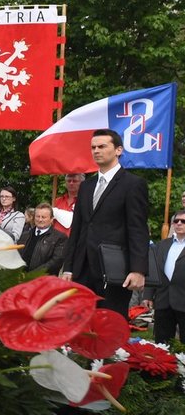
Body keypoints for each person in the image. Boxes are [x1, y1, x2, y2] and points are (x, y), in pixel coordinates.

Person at [61, 129, 149, 315]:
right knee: (79, 325)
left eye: (102, 146)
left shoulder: (133, 184)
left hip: (114, 269)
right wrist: (68, 267)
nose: (96, 151)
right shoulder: (86, 186)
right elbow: (77, 229)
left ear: (118, 150)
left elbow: (138, 230)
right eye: (93, 147)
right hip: (82, 270)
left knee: (110, 325)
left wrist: (138, 270)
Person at [142, 210, 185, 343]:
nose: (178, 223)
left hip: (183, 300)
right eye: (176, 221)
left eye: (183, 221)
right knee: (162, 344)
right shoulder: (162, 245)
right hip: (163, 300)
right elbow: (153, 270)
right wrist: (148, 295)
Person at [16, 203, 67, 275]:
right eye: (37, 216)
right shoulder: (25, 235)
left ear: (51, 219)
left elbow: (56, 262)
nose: (40, 219)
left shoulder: (60, 238)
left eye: (43, 217)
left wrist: (34, 274)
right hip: (21, 279)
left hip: (44, 281)